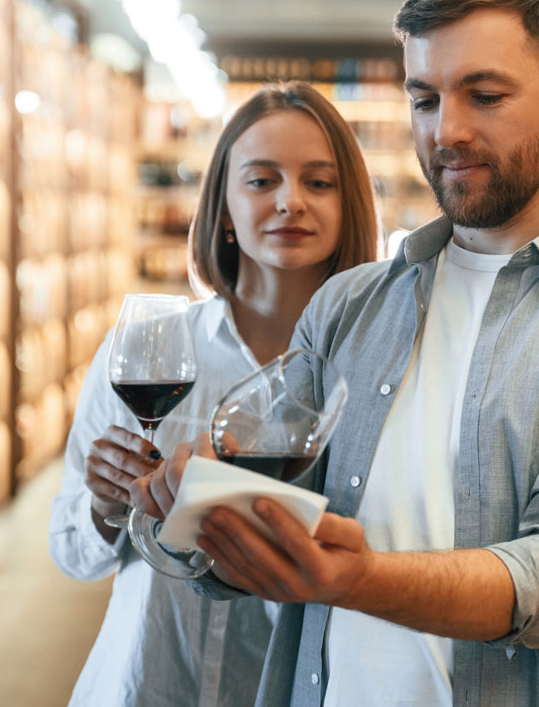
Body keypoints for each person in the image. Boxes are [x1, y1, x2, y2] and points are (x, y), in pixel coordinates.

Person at [133, 0, 539, 707]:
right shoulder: (347, 307)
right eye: (426, 98)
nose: (447, 132)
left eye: (484, 95)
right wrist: (190, 514)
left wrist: (358, 578)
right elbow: (257, 515)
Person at [48, 81, 378, 707]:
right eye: (261, 181)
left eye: (318, 181)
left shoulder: (371, 371)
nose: (290, 202)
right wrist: (105, 505)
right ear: (223, 205)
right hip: (144, 684)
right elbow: (72, 554)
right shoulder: (149, 350)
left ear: (349, 203)